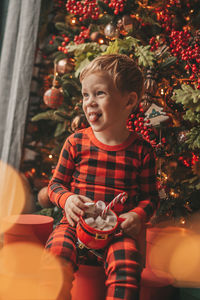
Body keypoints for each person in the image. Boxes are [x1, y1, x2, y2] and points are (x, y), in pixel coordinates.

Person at [45, 54, 159, 300]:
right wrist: (67, 200)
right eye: (86, 95)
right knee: (56, 255)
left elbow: (151, 198)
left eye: (100, 94)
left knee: (127, 266)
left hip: (116, 232)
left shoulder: (142, 151)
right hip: (74, 226)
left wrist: (136, 215)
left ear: (128, 101)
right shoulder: (75, 142)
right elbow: (54, 185)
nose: (89, 103)